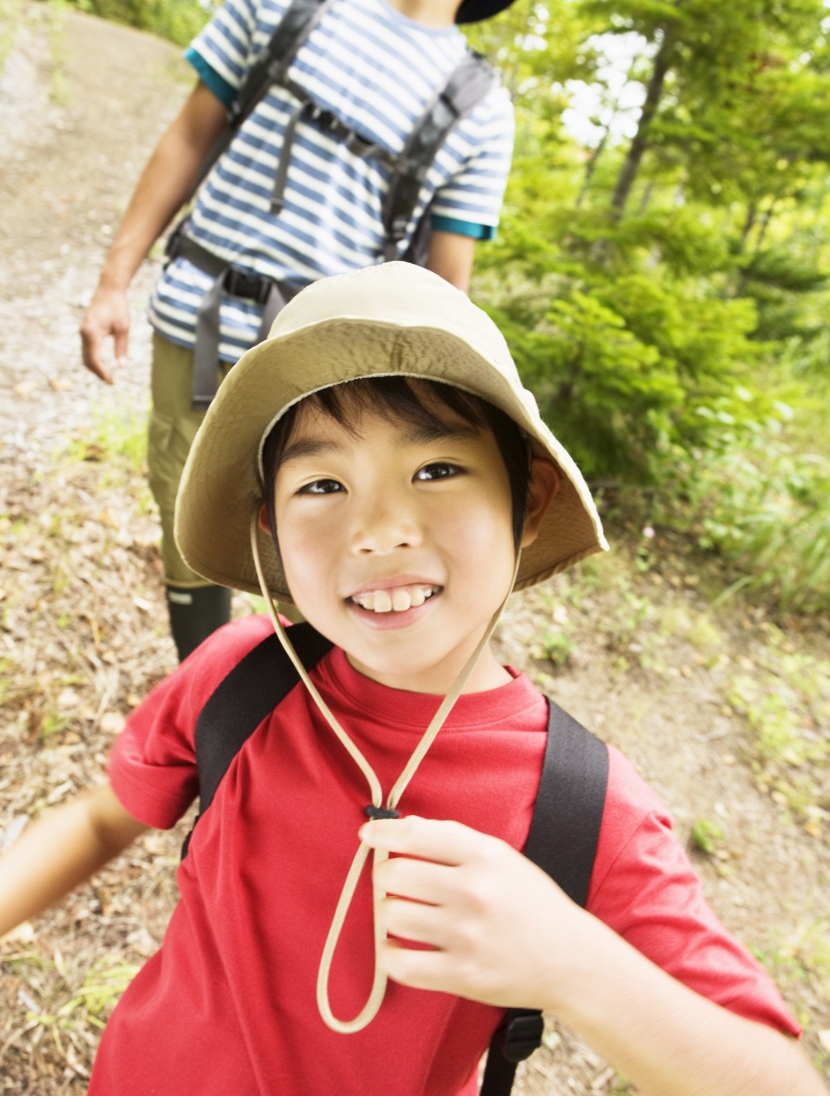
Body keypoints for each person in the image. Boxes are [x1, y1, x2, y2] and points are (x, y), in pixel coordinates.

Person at [2, 263, 825, 1096]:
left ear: (528, 498)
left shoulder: (578, 805)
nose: (380, 529)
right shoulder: (243, 678)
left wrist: (575, 965)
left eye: (436, 469)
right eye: (322, 484)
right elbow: (105, 819)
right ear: (270, 529)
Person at [79, 0, 543, 661]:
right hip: (196, 327)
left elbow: (446, 289)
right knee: (190, 536)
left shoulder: (482, 108)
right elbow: (190, 135)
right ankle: (207, 716)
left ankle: (304, 744)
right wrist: (113, 281)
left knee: (335, 570)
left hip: (335, 390)